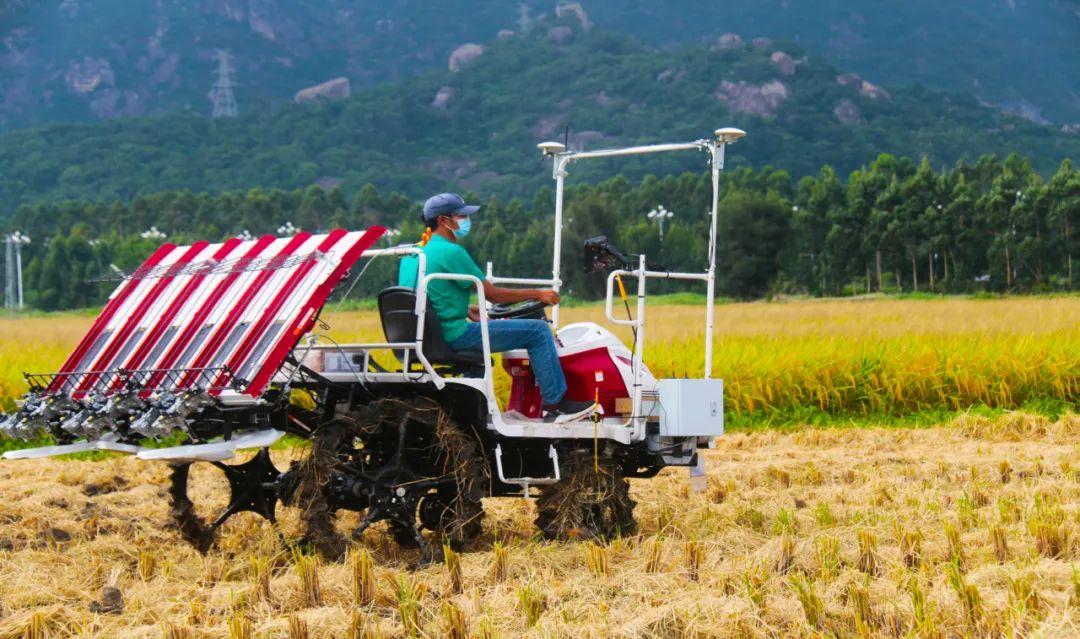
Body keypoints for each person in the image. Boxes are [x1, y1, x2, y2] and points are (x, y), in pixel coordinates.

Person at [398, 193, 594, 422]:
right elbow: (494, 295)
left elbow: (426, 297)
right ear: (443, 220)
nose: (466, 220)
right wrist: (538, 293)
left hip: (426, 336)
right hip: (453, 334)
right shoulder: (451, 251)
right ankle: (556, 406)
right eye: (461, 215)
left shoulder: (413, 254)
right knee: (537, 331)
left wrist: (463, 309)